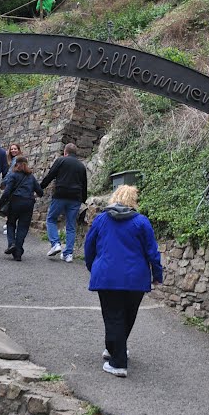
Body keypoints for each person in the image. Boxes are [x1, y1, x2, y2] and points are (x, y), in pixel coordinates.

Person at [84, 184, 163, 378]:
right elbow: (152, 251)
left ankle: (118, 362)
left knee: (113, 316)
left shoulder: (101, 220)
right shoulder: (142, 222)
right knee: (127, 316)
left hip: (108, 275)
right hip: (136, 278)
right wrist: (157, 275)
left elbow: (89, 246)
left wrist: (92, 267)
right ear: (133, 200)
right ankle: (115, 349)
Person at [40, 142, 87, 264]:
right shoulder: (81, 166)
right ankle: (68, 254)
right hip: (76, 197)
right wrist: (83, 199)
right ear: (75, 153)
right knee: (71, 226)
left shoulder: (61, 161)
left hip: (61, 194)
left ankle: (55, 244)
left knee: (51, 219)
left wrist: (40, 187)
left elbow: (50, 175)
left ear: (65, 152)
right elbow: (84, 184)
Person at [0, 156, 43, 261]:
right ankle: (18, 253)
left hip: (15, 202)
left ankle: (12, 243)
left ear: (16, 164)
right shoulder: (31, 177)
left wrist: (0, 204)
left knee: (11, 223)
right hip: (28, 203)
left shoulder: (13, 175)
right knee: (23, 227)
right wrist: (32, 196)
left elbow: (7, 192)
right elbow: (40, 192)